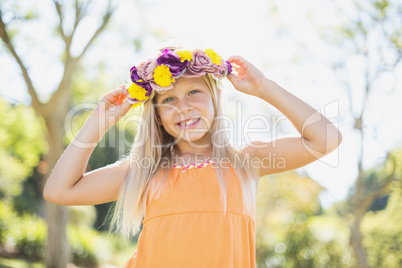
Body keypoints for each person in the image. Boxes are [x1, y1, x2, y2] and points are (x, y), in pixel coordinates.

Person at [43, 47, 342, 267]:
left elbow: (326, 139)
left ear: (215, 99)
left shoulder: (245, 162)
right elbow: (58, 190)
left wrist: (264, 88)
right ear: (157, 116)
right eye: (169, 99)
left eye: (194, 92)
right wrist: (99, 122)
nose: (183, 107)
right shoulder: (144, 171)